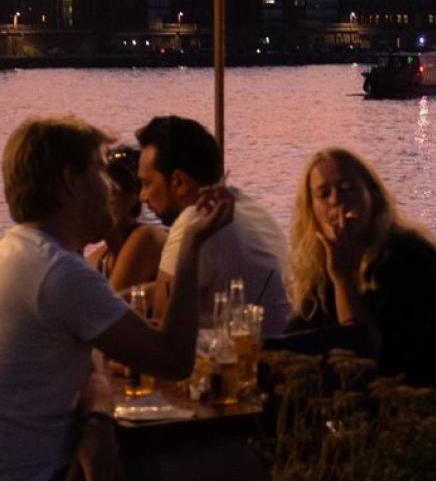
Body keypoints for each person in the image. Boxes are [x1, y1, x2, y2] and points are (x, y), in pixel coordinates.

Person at [0, 116, 234, 480]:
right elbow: (174, 360)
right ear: (71, 181)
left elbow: (90, 368)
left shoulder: (17, 253)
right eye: (101, 173)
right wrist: (190, 244)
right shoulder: (59, 273)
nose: (112, 189)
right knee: (238, 461)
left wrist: (97, 420)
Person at [281, 148, 436, 396]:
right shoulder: (326, 265)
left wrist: (343, 279)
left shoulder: (410, 259)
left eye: (348, 189)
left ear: (373, 196)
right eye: (324, 194)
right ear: (311, 211)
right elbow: (294, 339)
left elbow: (367, 358)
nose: (336, 200)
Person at [137, 116, 293, 337]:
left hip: (242, 361)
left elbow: (162, 330)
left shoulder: (196, 220)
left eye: (146, 183)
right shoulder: (250, 208)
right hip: (280, 348)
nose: (142, 196)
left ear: (179, 182)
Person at [86, 146, 168, 291]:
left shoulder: (146, 238)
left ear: (131, 198)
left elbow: (107, 308)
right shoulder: (99, 258)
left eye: (102, 195)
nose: (90, 206)